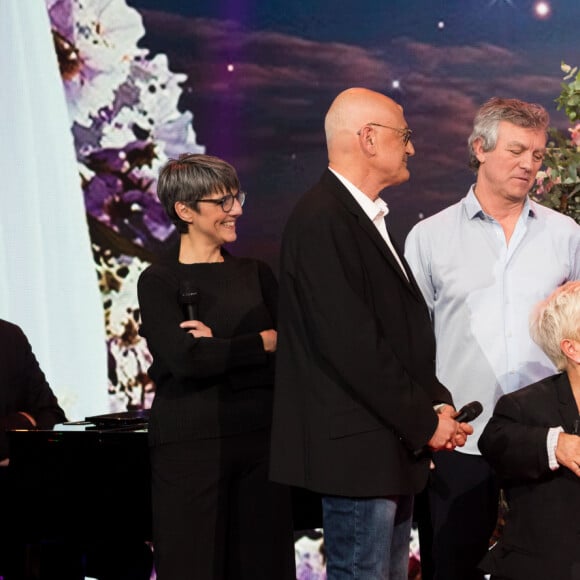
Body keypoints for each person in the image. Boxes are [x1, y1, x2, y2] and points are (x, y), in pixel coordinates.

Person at [269, 87, 472, 580]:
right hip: (358, 451)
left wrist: (434, 401)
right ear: (368, 139)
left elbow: (395, 333)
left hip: (384, 445)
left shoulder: (361, 216)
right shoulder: (322, 219)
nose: (412, 148)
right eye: (405, 136)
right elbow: (352, 344)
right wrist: (424, 422)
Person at [404, 97, 580, 580]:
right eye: (517, 150)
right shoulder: (429, 237)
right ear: (480, 148)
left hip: (548, 441)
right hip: (461, 440)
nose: (529, 164)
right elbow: (411, 342)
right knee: (452, 566)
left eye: (539, 155)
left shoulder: (566, 235)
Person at [137, 153, 295, 580]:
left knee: (265, 566)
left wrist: (223, 348)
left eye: (236, 197)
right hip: (191, 448)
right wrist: (259, 343)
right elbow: (186, 360)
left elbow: (293, 354)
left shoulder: (255, 274)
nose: (237, 210)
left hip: (261, 444)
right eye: (223, 201)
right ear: (185, 211)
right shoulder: (160, 280)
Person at [478, 280, 580, 580]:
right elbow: (494, 441)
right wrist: (555, 445)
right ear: (572, 348)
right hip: (546, 569)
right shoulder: (527, 406)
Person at [0, 318, 68, 577]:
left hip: (21, 489)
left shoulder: (9, 336)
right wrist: (21, 423)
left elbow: (52, 414)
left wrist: (14, 443)